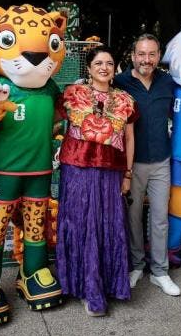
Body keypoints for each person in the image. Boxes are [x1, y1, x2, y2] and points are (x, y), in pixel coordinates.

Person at [55, 46, 137, 316]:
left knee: (106, 227)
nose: (104, 67)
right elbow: (51, 123)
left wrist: (127, 175)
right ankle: (83, 288)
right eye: (99, 63)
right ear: (88, 68)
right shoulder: (71, 94)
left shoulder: (125, 99)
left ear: (115, 69)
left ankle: (105, 287)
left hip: (110, 171)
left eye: (110, 63)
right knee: (79, 225)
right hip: (76, 168)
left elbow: (128, 139)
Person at [113, 34, 181, 297]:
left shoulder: (168, 82)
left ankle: (160, 272)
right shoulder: (120, 83)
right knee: (132, 218)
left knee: (160, 218)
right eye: (141, 54)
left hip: (162, 161)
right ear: (132, 56)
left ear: (159, 55)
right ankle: (136, 265)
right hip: (132, 164)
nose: (146, 59)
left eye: (152, 54)